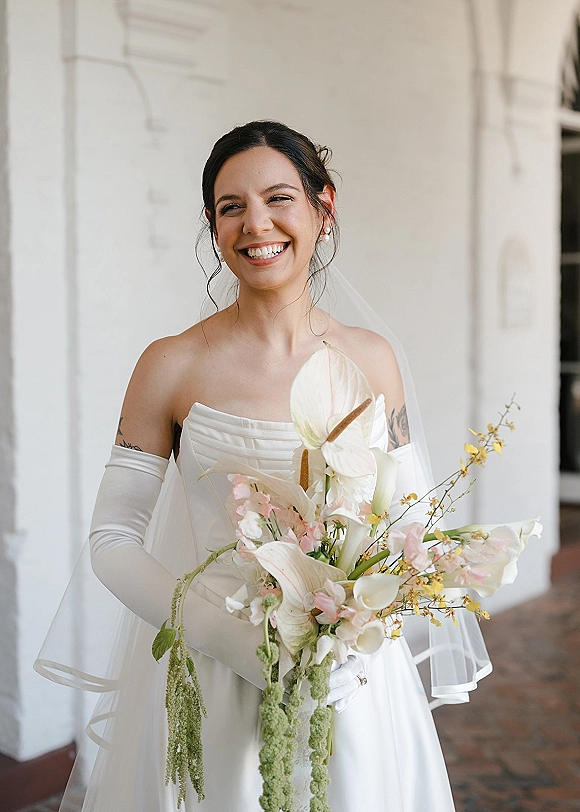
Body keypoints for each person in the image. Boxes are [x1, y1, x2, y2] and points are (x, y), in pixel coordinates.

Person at [37, 121, 491, 811]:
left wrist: (354, 637)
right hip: (216, 676)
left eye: (280, 198)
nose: (257, 225)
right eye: (231, 207)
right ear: (212, 225)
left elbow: (411, 525)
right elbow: (112, 541)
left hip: (354, 679)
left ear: (323, 207)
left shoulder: (372, 361)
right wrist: (228, 638)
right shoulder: (171, 365)